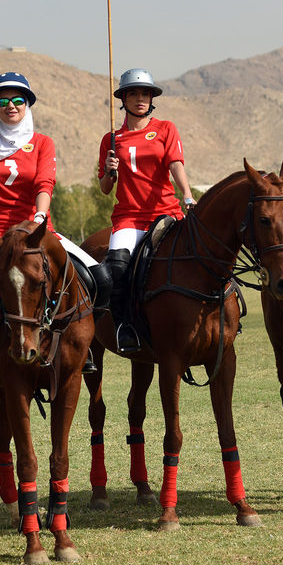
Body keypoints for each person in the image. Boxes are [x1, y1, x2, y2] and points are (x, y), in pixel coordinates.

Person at [0, 71, 110, 383]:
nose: (11, 106)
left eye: (18, 100)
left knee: (100, 278)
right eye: (3, 101)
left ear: (28, 104)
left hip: (36, 229)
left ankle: (85, 345)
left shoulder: (42, 143)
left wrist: (39, 217)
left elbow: (44, 183)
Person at [97, 68, 196, 353]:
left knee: (197, 255)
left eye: (145, 94)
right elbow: (105, 188)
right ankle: (124, 326)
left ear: (152, 99)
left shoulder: (166, 128)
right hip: (128, 218)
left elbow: (176, 164)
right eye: (134, 94)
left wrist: (187, 195)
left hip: (166, 213)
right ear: (123, 99)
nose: (140, 99)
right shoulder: (111, 139)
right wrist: (109, 170)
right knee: (116, 268)